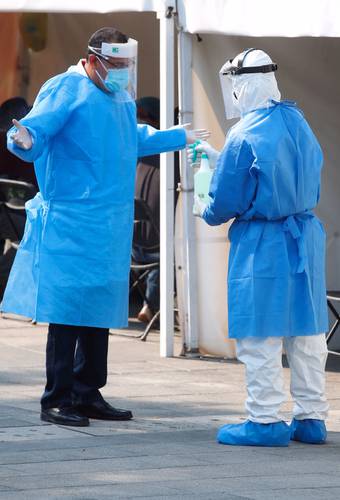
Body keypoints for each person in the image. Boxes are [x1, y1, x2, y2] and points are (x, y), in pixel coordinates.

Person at [2, 27, 209, 427]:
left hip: (108, 224)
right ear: (94, 60)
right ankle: (57, 398)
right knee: (66, 313)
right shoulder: (66, 88)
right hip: (72, 222)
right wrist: (22, 138)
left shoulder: (117, 96)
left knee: (98, 311)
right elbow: (37, 128)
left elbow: (129, 138)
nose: (122, 72)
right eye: (116, 65)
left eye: (126, 65)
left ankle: (88, 391)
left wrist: (174, 137)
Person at [190, 48, 328, 446]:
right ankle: (311, 418)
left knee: (261, 332)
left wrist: (206, 204)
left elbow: (224, 202)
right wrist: (223, 159)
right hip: (304, 234)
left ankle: (265, 420)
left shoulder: (244, 132)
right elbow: (282, 169)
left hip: (263, 241)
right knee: (306, 332)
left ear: (242, 85)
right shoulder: (296, 119)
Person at [133, 97, 181, 323]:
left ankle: (148, 304)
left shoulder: (135, 158)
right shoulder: (175, 162)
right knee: (172, 240)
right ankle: (154, 305)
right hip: (157, 249)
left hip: (130, 247)